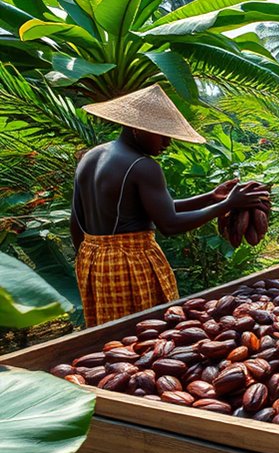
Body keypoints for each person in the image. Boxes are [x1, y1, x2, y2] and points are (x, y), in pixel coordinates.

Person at [72, 85, 268, 326]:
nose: (167, 143)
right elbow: (169, 224)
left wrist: (211, 197)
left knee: (104, 337)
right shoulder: (144, 166)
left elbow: (77, 222)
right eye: (161, 134)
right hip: (130, 264)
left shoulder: (91, 156)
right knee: (142, 336)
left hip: (94, 260)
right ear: (136, 127)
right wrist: (228, 204)